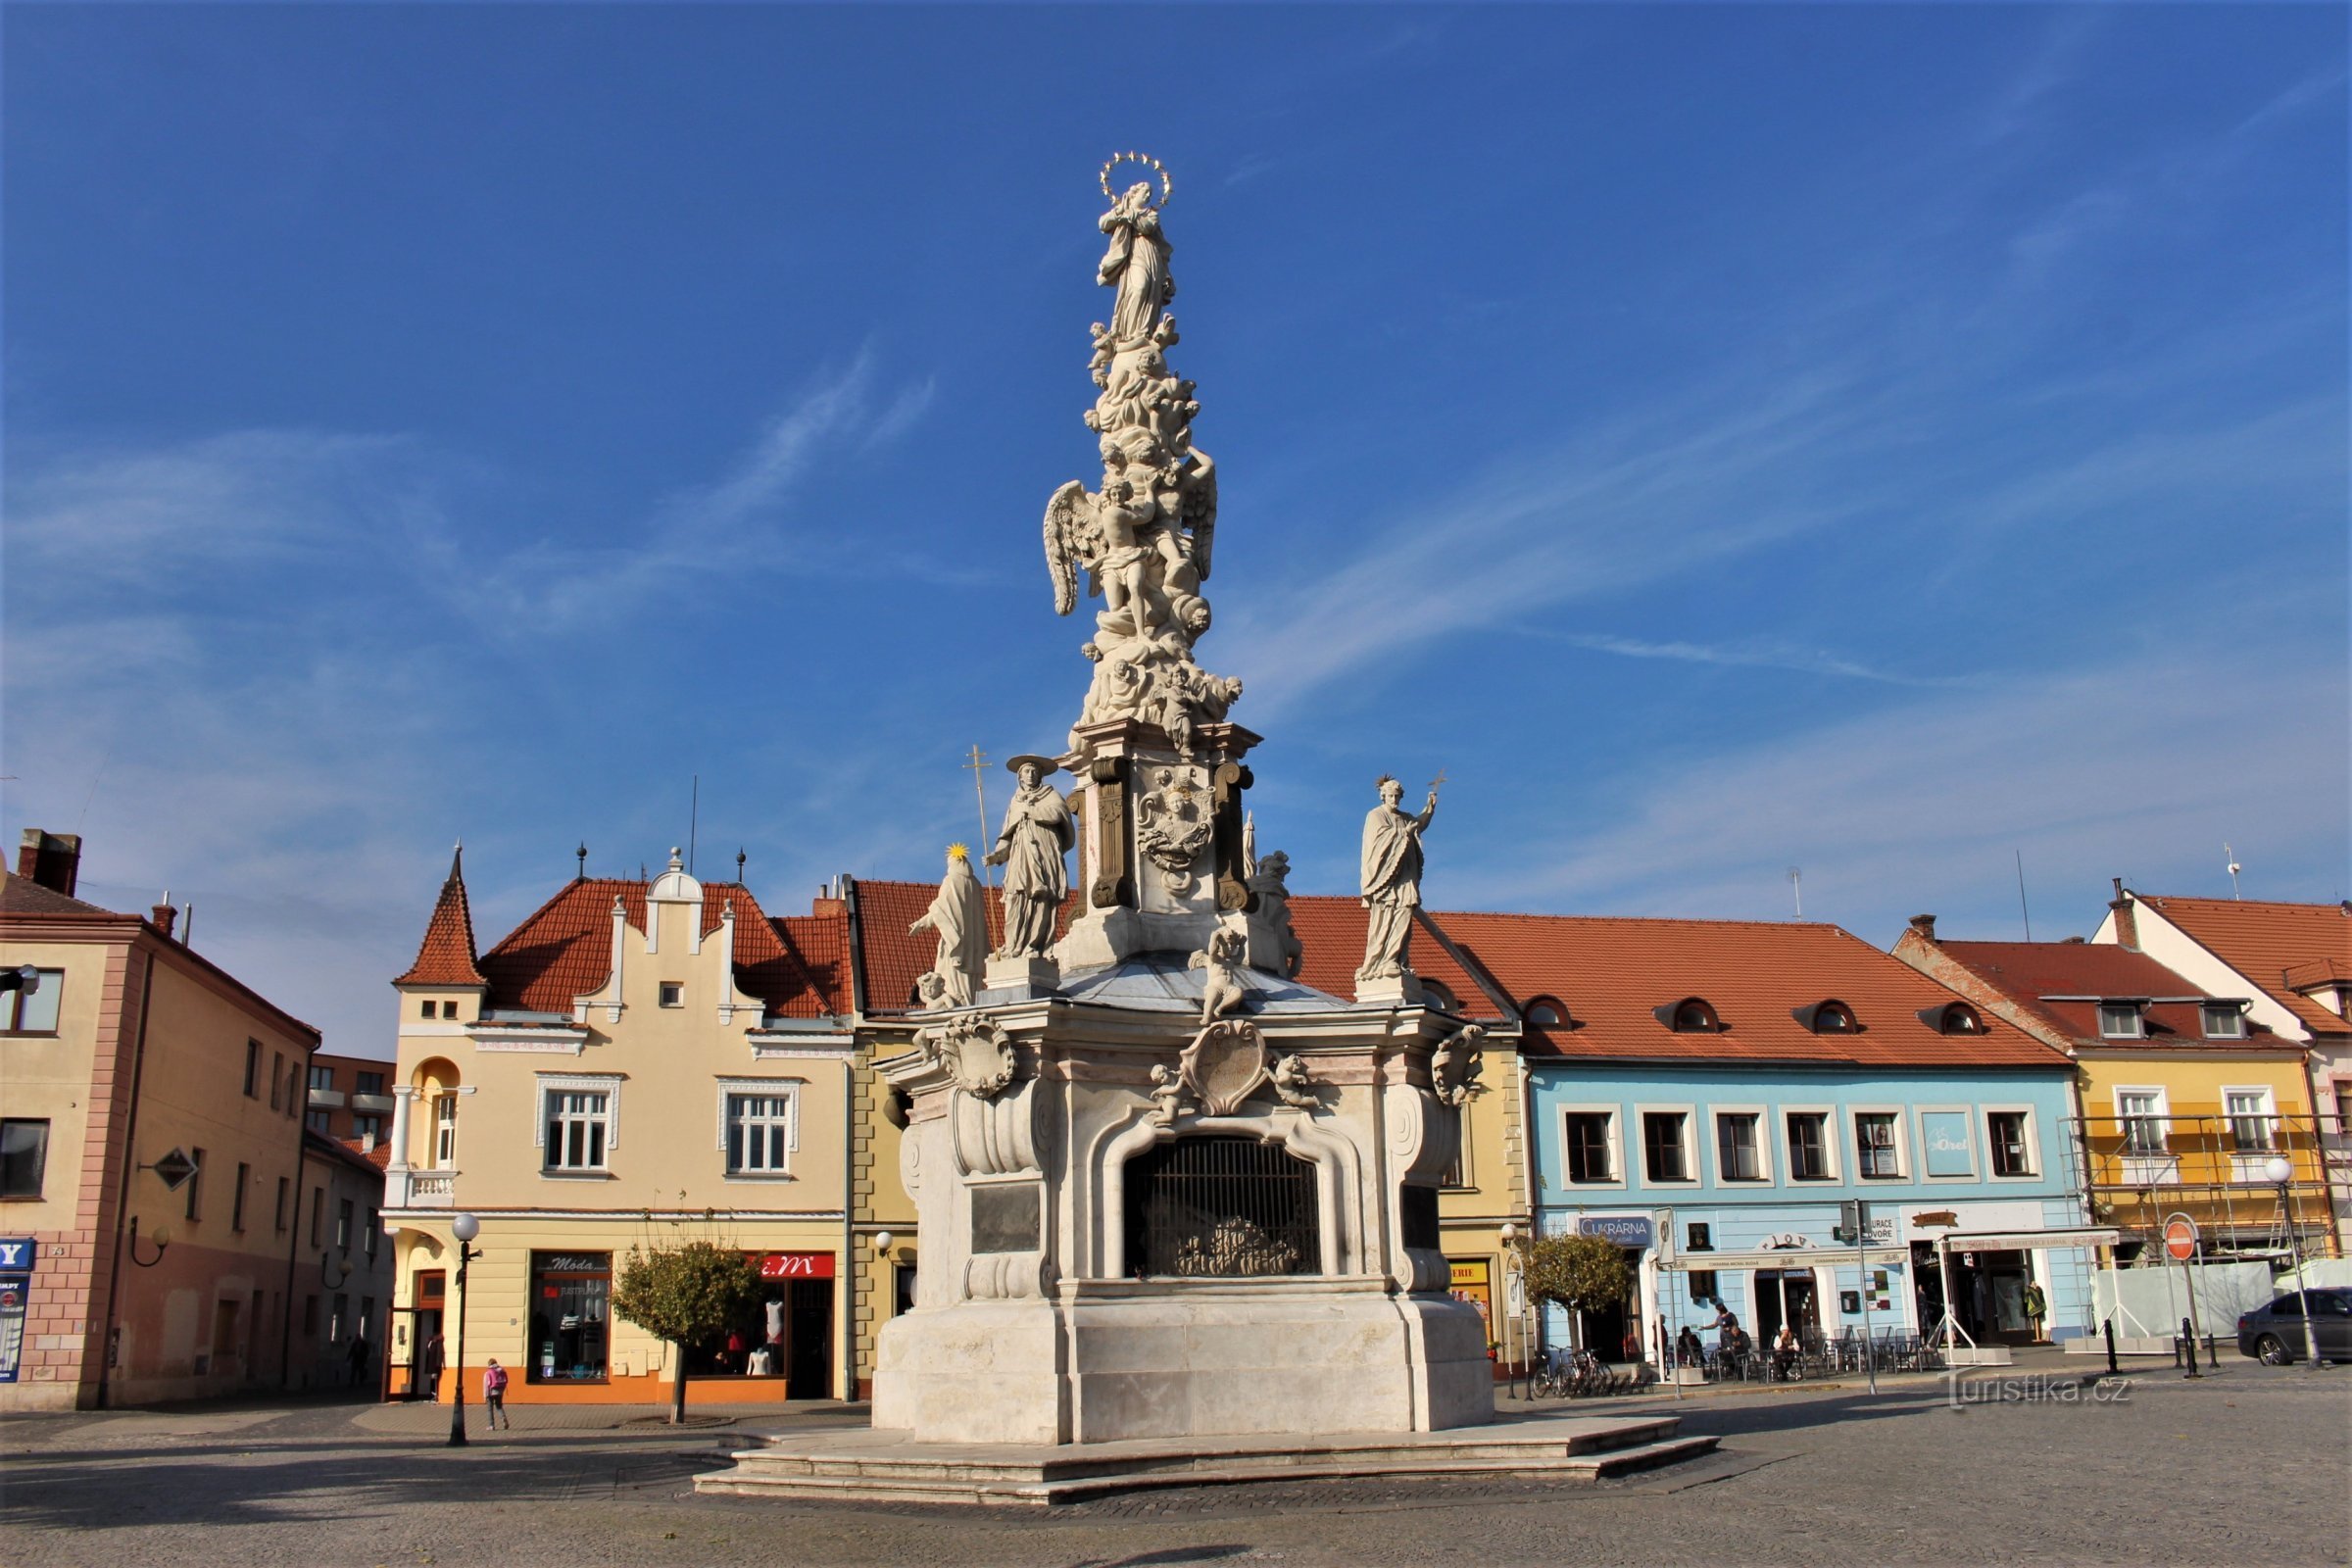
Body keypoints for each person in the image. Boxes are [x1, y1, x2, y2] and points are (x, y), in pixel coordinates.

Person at [986, 758, 1075, 958]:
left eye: (1034, 771)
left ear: (1041, 775)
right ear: (1020, 776)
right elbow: (1008, 833)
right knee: (1015, 897)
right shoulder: (1015, 801)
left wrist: (1031, 811)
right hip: (1020, 854)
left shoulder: (1051, 795)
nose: (1031, 775)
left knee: (1040, 898)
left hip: (1044, 853)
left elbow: (1058, 814)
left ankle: (1035, 946)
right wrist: (997, 856)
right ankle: (1012, 946)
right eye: (1026, 771)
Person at [482, 1358, 511, 1430]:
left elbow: (486, 1385)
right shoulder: (502, 1370)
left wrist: (485, 1396)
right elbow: (506, 1381)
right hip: (500, 1391)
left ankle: (491, 1425)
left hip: (491, 1392)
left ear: (489, 1364)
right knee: (499, 1406)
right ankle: (503, 1418)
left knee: (490, 1409)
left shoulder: (488, 1372)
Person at [418, 1332, 446, 1402]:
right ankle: (434, 1395)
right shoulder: (433, 1343)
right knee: (434, 1379)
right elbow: (440, 1353)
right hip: (434, 1365)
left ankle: (434, 1395)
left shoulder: (435, 1343)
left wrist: (441, 1364)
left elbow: (440, 1353)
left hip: (434, 1365)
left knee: (434, 1379)